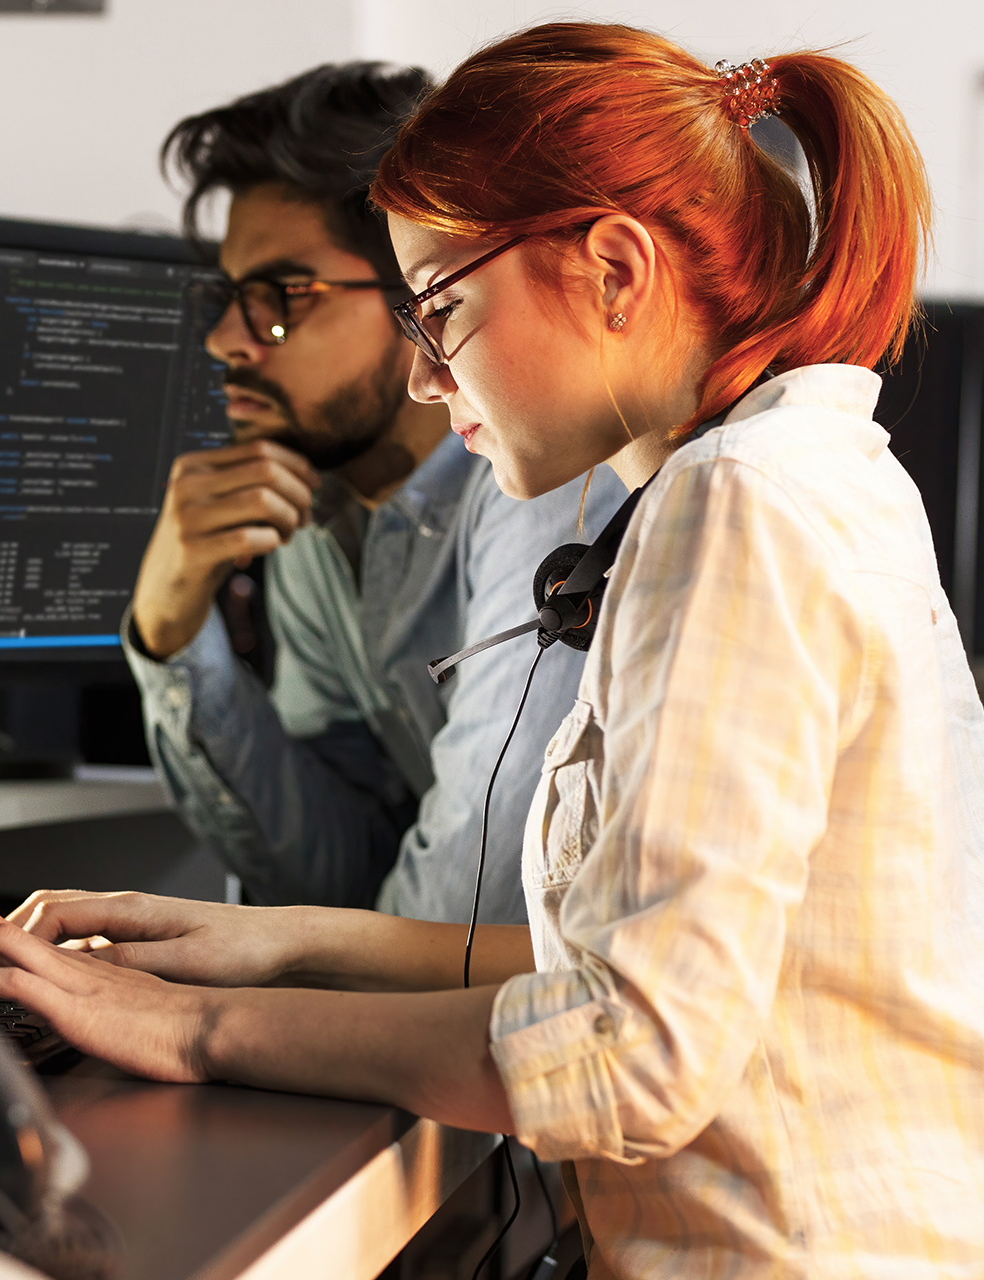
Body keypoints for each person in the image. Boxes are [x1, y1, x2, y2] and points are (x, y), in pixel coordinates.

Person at [0, 24, 984, 1275]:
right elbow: (644, 961)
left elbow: (628, 1051)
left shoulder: (734, 502)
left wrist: (195, 1030)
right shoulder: (797, 464)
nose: (426, 376)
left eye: (443, 310)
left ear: (614, 270)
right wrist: (279, 942)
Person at [124, 63, 625, 922]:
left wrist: (220, 1004)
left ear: (420, 292)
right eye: (227, 298)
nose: (222, 342)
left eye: (279, 297)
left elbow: (474, 909)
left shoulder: (552, 486)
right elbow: (333, 881)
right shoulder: (319, 523)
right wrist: (172, 635)